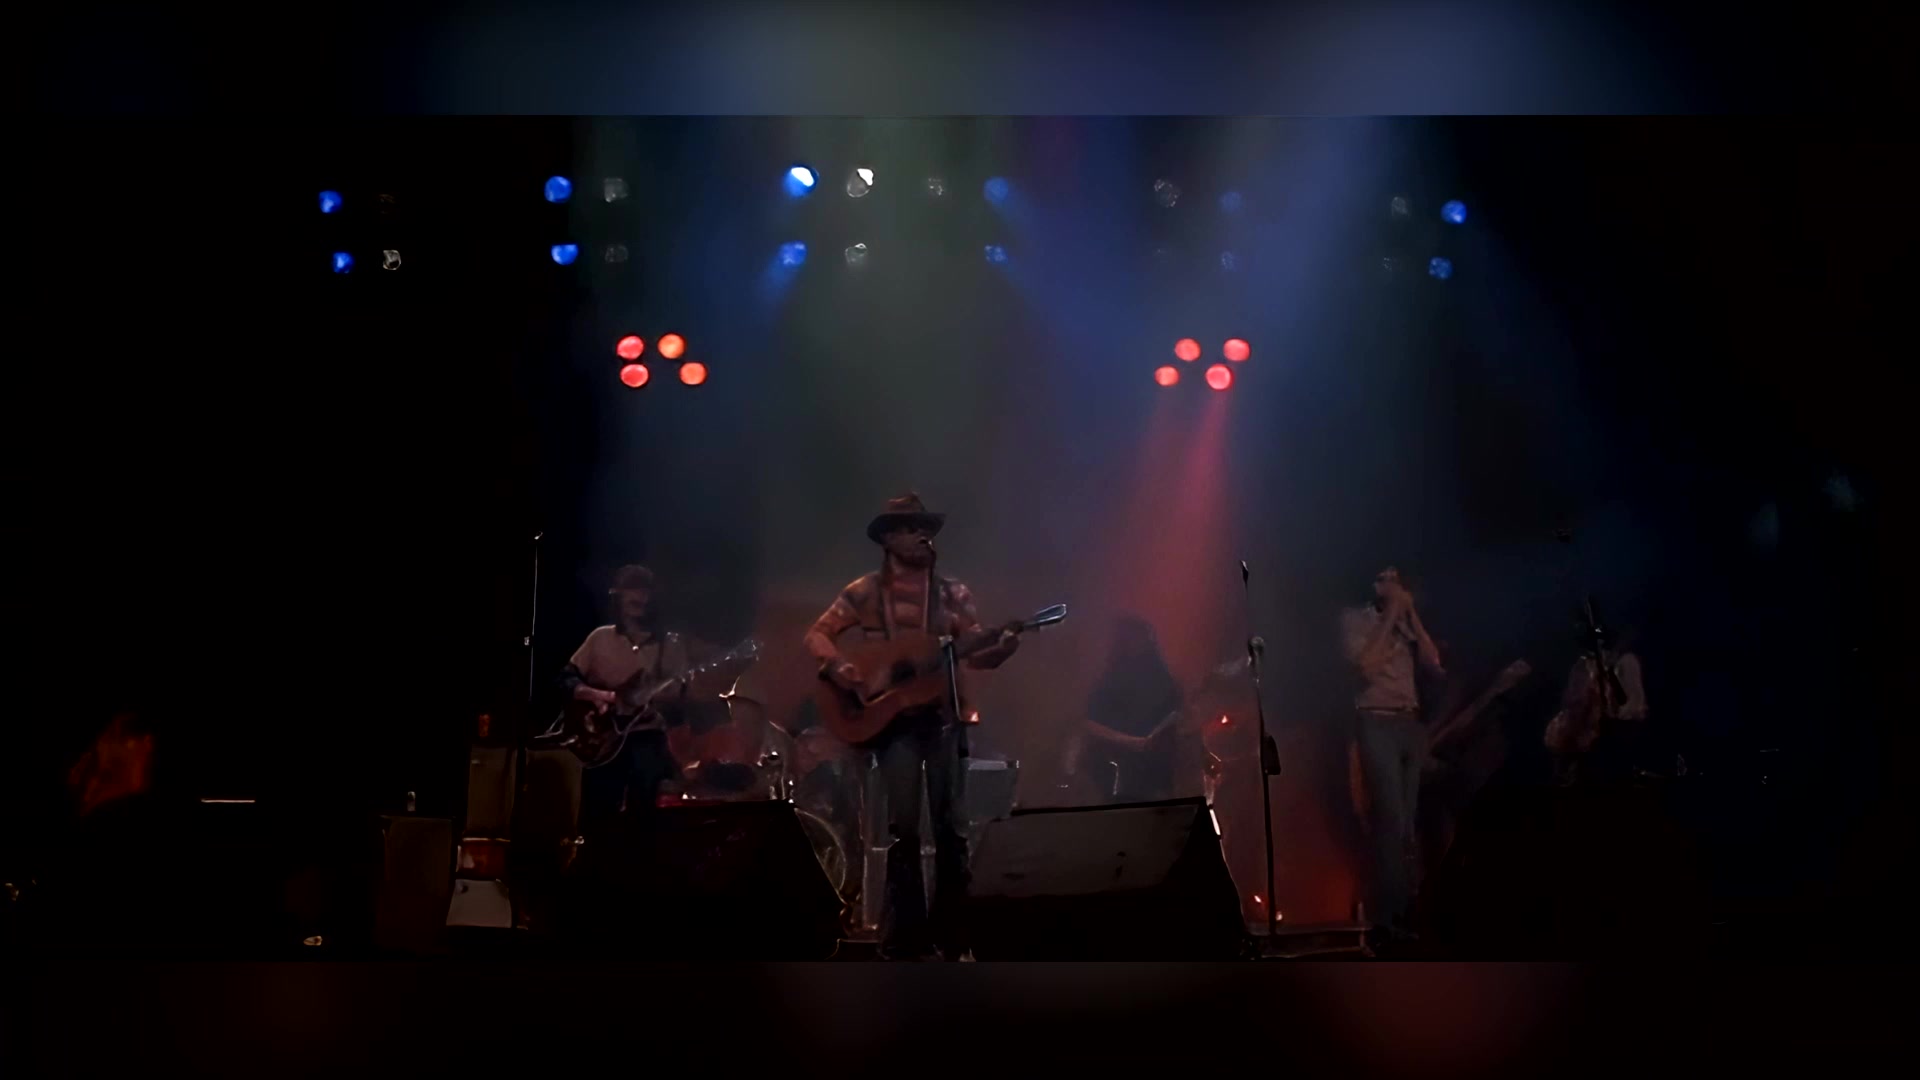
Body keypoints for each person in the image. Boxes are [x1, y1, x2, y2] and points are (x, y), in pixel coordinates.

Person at [803, 493, 1021, 960]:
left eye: (925, 528)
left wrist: (1002, 647)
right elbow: (817, 634)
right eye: (909, 527)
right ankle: (905, 938)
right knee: (903, 830)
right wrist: (841, 667)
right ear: (888, 538)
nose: (921, 535)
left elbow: (975, 651)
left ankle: (954, 933)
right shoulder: (864, 592)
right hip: (892, 721)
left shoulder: (951, 593)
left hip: (943, 717)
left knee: (952, 828)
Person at [1341, 565, 1445, 937]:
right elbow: (1365, 667)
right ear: (1373, 584)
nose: (1394, 585)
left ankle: (1407, 910)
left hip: (1409, 723)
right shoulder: (1354, 619)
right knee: (1390, 818)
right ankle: (1389, 915)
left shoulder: (1405, 621)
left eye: (1398, 579)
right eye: (1387, 579)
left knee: (1408, 822)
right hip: (1376, 721)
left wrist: (1410, 615)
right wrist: (1392, 616)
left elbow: (1434, 664)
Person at [557, 564, 692, 842]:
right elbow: (565, 679)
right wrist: (599, 697)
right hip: (600, 741)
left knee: (643, 817)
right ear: (618, 598)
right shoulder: (600, 638)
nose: (640, 599)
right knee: (596, 816)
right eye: (632, 592)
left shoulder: (671, 646)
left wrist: (665, 702)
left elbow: (679, 704)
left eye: (645, 593)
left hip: (645, 737)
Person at [1067, 616, 1188, 803]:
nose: (1139, 644)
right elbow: (1089, 723)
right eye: (1133, 638)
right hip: (1117, 773)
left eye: (1143, 638)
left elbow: (1180, 715)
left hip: (1156, 774)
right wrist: (1132, 742)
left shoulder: (1162, 677)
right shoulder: (1111, 679)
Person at [1544, 625, 1648, 786]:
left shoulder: (1625, 663)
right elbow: (1572, 699)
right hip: (1582, 739)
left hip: (1607, 742)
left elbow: (1633, 708)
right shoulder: (1582, 666)